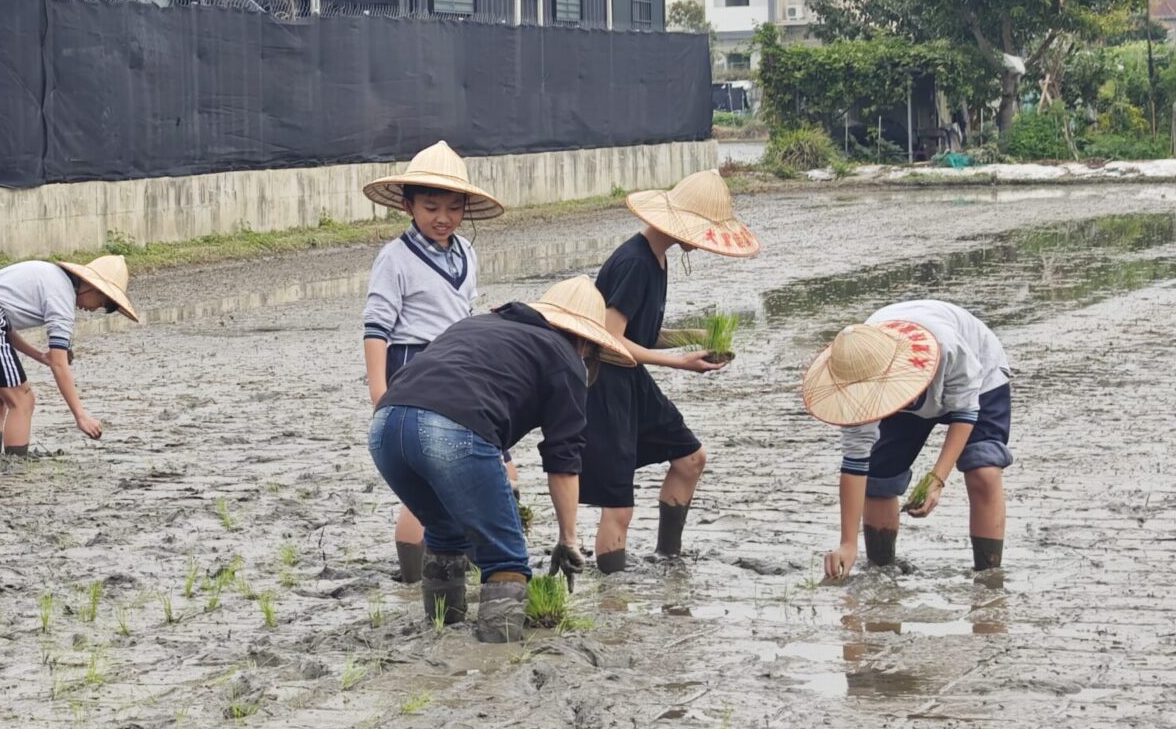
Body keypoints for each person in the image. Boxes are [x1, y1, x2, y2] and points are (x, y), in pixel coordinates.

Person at [369, 277, 634, 643]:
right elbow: (563, 460)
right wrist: (568, 538)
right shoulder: (565, 358)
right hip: (452, 428)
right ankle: (499, 658)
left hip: (385, 427)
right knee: (505, 558)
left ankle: (442, 635)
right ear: (585, 342)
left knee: (445, 534)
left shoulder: (479, 324)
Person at [581, 168, 758, 572]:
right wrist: (681, 363)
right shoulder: (634, 263)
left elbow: (641, 334)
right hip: (605, 385)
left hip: (632, 379)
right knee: (618, 504)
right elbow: (611, 339)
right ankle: (612, 600)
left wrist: (693, 337)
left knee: (690, 459)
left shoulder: (656, 259)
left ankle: (667, 559)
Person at [358, 142, 506, 583]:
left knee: (476, 466)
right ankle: (412, 578)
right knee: (423, 478)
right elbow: (376, 328)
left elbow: (466, 314)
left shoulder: (467, 254)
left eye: (453, 208)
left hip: (460, 368)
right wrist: (380, 393)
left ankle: (460, 561)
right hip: (414, 366)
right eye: (430, 207)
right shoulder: (395, 258)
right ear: (408, 205)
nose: (443, 218)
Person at [800, 301, 1013, 580]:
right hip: (903, 389)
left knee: (983, 470)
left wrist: (936, 479)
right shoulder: (857, 384)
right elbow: (855, 464)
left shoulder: (949, 347)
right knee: (879, 479)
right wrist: (847, 543)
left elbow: (965, 412)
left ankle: (989, 579)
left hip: (979, 379)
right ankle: (882, 573)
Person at [0, 254, 138, 453]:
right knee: (23, 400)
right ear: (92, 287)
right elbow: (59, 365)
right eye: (103, 302)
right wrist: (81, 416)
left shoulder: (51, 275)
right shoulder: (62, 299)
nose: (96, 309)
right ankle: (15, 469)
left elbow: (2, 326)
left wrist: (40, 356)